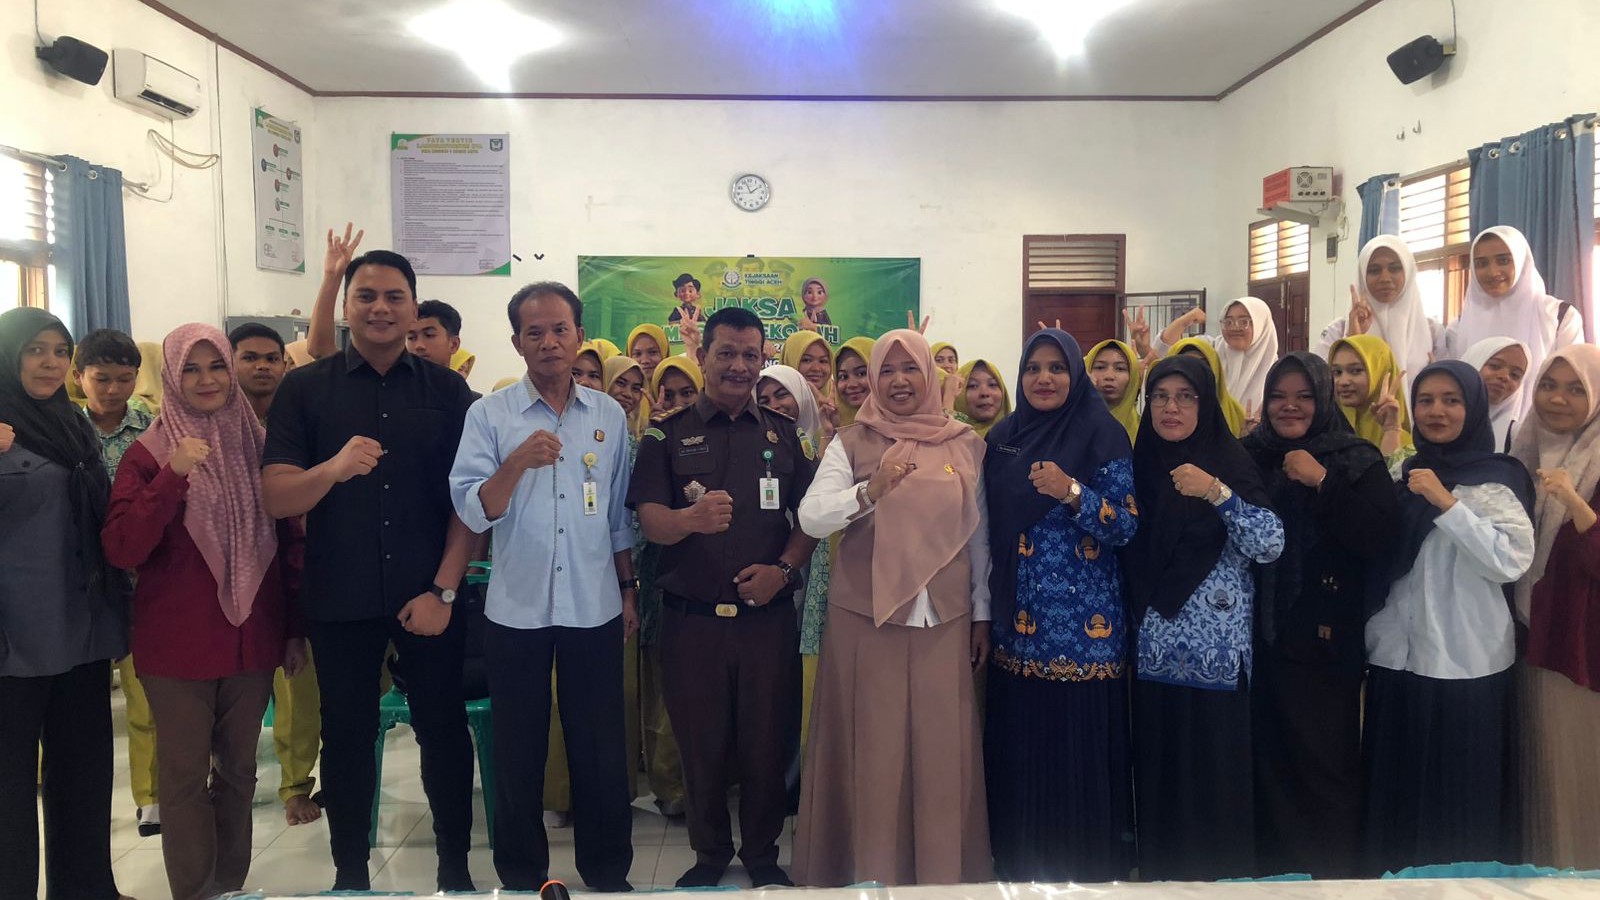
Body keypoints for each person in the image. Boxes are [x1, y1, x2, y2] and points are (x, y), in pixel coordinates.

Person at [261, 249, 480, 892]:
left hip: (428, 595)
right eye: (366, 295)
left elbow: (470, 505)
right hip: (341, 594)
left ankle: (455, 872)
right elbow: (277, 496)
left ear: (413, 308)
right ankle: (351, 876)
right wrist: (332, 469)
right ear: (346, 304)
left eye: (394, 297)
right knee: (348, 737)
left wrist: (443, 589)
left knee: (444, 731)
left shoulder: (448, 392)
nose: (380, 308)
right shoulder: (305, 388)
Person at [102, 324, 305, 900]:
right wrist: (173, 477)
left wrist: (294, 630)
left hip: (251, 639)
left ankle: (230, 886)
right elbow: (122, 547)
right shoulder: (150, 453)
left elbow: (290, 544)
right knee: (185, 777)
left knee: (239, 772)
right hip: (178, 646)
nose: (207, 379)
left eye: (216, 366)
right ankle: (195, 892)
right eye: (190, 369)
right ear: (170, 376)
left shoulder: (260, 445)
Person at [450, 282, 637, 891]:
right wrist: (515, 463)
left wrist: (628, 589)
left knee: (600, 747)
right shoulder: (490, 415)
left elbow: (618, 516)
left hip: (595, 605)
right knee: (518, 749)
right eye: (535, 332)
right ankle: (521, 873)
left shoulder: (607, 415)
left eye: (560, 329)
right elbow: (475, 511)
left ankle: (606, 870)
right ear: (517, 342)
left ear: (579, 336)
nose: (550, 342)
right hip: (516, 609)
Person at [627, 307, 819, 888]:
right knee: (700, 742)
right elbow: (649, 521)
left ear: (762, 361)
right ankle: (709, 854)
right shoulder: (665, 435)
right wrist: (689, 519)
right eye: (726, 353)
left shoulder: (786, 436)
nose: (739, 365)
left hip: (766, 621)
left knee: (766, 740)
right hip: (693, 622)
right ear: (703, 356)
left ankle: (762, 855)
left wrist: (783, 571)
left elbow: (811, 521)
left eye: (750, 355)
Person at [792, 330, 991, 886]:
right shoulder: (852, 442)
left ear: (929, 375)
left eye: (911, 369)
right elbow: (811, 517)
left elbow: (979, 537)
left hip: (943, 617)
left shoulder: (965, 443)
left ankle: (940, 876)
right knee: (873, 752)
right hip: (865, 617)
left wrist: (981, 612)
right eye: (887, 370)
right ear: (872, 379)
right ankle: (865, 873)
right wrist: (868, 492)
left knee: (939, 751)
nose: (900, 381)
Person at [1364, 360, 1534, 874]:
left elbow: (1509, 561)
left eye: (1451, 400)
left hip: (1465, 662)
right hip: (1397, 658)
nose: (1436, 411)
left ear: (1473, 407)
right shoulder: (1404, 472)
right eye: (1426, 400)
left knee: (1457, 806)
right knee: (1397, 799)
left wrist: (1446, 502)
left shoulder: (1497, 478)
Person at [981, 329, 1138, 882]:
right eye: (1032, 368)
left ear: (1075, 375)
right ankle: (1018, 867)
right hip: (1017, 632)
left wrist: (1072, 492)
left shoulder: (1103, 433)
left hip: (1084, 636)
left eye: (1056, 368)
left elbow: (1126, 525)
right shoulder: (1003, 437)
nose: (1043, 378)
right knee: (1022, 752)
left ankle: (1086, 871)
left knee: (1077, 754)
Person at [1125, 355, 1284, 881]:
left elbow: (1270, 544)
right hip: (1154, 658)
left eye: (1185, 396)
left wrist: (1217, 493)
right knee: (1161, 785)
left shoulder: (1229, 462)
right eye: (1160, 396)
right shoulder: (1142, 463)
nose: (1170, 408)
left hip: (1215, 662)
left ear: (1207, 403)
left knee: (1214, 785)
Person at [1241, 352, 1400, 878]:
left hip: (1326, 644)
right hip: (1260, 640)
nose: (1289, 407)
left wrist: (1323, 482)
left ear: (1323, 399)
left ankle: (1330, 881)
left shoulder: (1355, 458)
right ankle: (1273, 881)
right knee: (1269, 763)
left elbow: (1380, 538)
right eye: (1279, 396)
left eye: (1304, 396)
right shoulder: (1250, 455)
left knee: (1324, 765)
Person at [0, 307, 130, 900]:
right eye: (35, 350)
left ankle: (86, 890)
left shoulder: (73, 425)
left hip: (80, 630)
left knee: (83, 775)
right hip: (13, 639)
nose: (50, 363)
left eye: (59, 351)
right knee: (8, 788)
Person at [227, 322, 323, 827]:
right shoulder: (214, 428)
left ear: (286, 366)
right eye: (249, 357)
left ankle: (299, 783)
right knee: (243, 696)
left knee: (299, 685)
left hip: (297, 564)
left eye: (271, 358)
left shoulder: (300, 419)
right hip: (234, 573)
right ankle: (236, 784)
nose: (262, 367)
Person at [1511, 345, 1600, 869]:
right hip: (1532, 640)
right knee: (1542, 777)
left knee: (1580, 774)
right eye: (1548, 385)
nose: (1557, 399)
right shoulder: (1525, 451)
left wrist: (1574, 502)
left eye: (1574, 389)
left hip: (1581, 650)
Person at [72, 328, 161, 835]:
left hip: (137, 579)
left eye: (124, 379)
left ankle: (151, 797)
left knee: (144, 695)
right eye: (101, 378)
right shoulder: (62, 429)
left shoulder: (151, 429)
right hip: (77, 580)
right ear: (79, 376)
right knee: (74, 698)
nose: (112, 390)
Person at [757, 365, 833, 787]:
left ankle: (813, 778)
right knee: (782, 679)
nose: (775, 406)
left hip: (824, 571)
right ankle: (783, 780)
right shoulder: (756, 442)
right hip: (778, 571)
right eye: (764, 400)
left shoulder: (831, 441)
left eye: (782, 395)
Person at [1446, 226, 1583, 397]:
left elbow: (1573, 381)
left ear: (1521, 261)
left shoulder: (1560, 317)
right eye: (1481, 264)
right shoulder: (1458, 326)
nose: (1493, 272)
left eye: (1503, 260)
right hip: (1474, 414)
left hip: (1543, 413)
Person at [1313, 236, 1444, 375]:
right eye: (1374, 270)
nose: (1385, 278)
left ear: (1408, 272)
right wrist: (1352, 340)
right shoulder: (1337, 331)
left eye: (1395, 268)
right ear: (1362, 276)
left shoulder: (1433, 332)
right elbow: (1318, 381)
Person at [1156, 297, 1279, 411]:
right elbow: (1165, 352)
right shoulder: (1210, 350)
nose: (1234, 327)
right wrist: (1185, 320)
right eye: (1228, 322)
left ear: (1261, 325)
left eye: (1243, 321)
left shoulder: (1277, 372)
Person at [1329, 335, 1410, 457]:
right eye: (1337, 372)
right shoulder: (1330, 430)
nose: (1343, 381)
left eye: (1356, 371)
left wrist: (1391, 431)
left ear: (1380, 373)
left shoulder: (1402, 444)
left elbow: (1391, 469)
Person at [1462, 337, 1531, 453]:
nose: (1504, 377)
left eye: (1515, 375)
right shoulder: (1437, 416)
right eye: (1495, 366)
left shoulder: (1516, 437)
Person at [1167, 337, 1248, 436]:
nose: (1194, 371)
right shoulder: (1162, 407)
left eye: (1202, 364)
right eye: (1185, 364)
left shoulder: (1235, 413)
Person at [1086, 339, 1143, 441]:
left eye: (1120, 369)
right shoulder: (1071, 425)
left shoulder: (1145, 431)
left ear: (1133, 377)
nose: (1109, 376)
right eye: (1100, 367)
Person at [954, 359, 1011, 439]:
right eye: (973, 386)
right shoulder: (946, 439)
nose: (984, 393)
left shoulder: (1018, 436)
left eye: (992, 384)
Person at [408, 299, 466, 372]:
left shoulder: (457, 379)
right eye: (411, 338)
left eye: (429, 335)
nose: (418, 346)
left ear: (453, 345)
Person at [833, 337, 876, 427]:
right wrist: (829, 431)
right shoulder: (834, 424)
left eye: (861, 373)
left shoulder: (900, 427)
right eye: (843, 377)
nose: (851, 384)